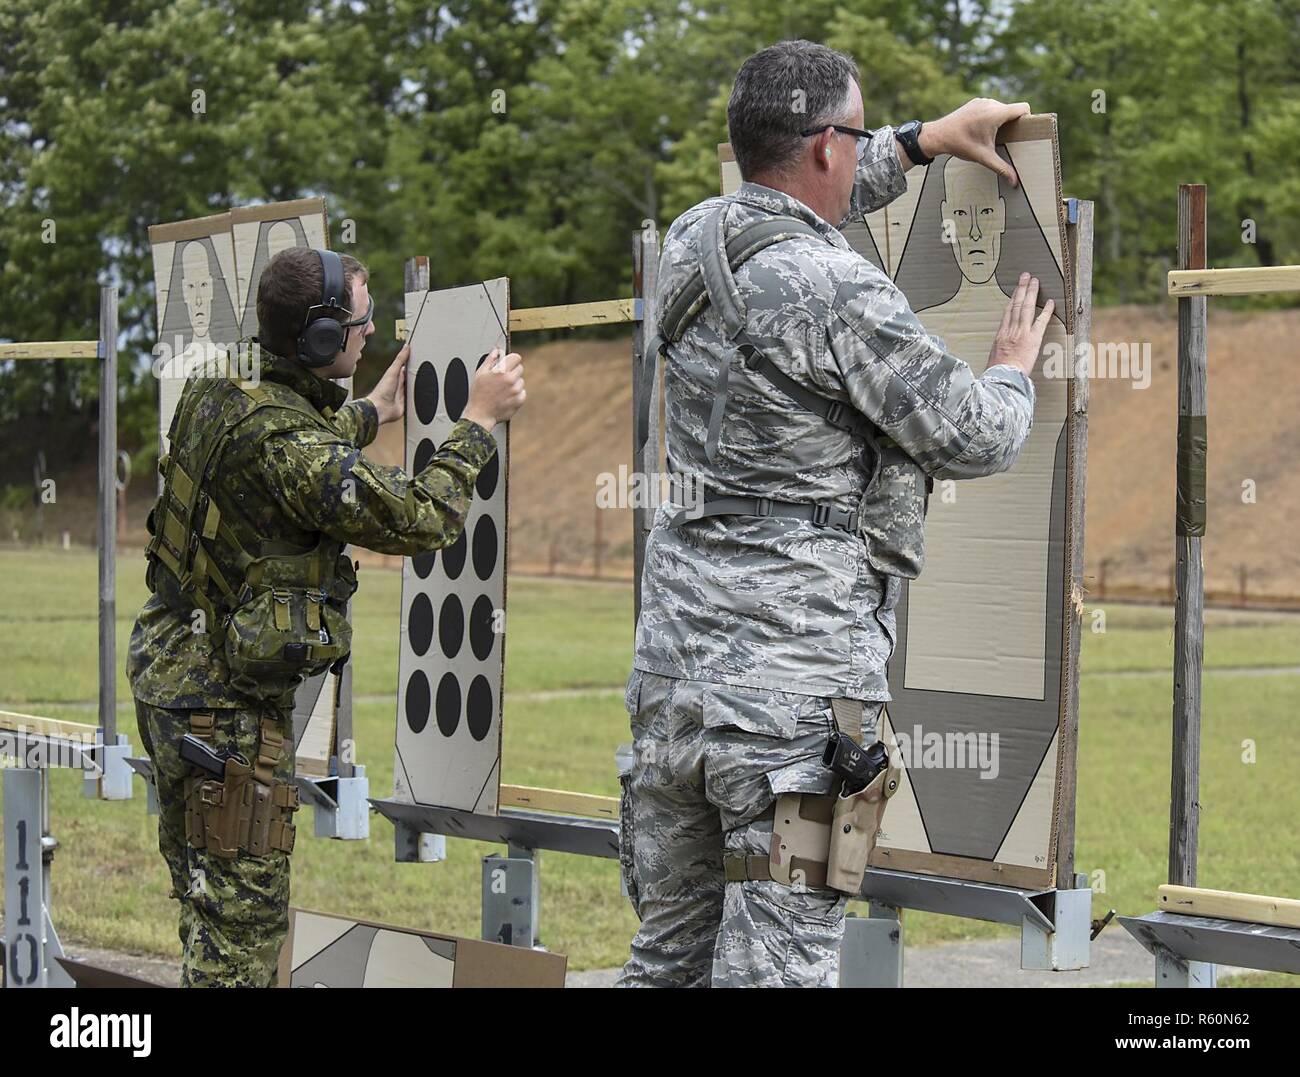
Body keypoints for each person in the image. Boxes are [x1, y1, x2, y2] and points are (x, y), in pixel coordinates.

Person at [619, 39, 1054, 988]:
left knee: (666, 963)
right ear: (823, 145)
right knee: (776, 971)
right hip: (791, 695)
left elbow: (799, 211)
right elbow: (974, 435)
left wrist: (924, 140)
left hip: (673, 682)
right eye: (856, 137)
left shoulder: (695, 239)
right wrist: (1013, 372)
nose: (864, 154)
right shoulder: (837, 288)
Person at [128, 246, 525, 986]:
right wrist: (477, 418)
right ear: (317, 341)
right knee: (241, 948)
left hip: (170, 676)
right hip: (226, 716)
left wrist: (371, 411)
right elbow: (421, 518)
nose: (370, 331)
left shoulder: (218, 396)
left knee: (208, 904)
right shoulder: (295, 446)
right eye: (359, 322)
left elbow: (289, 453)